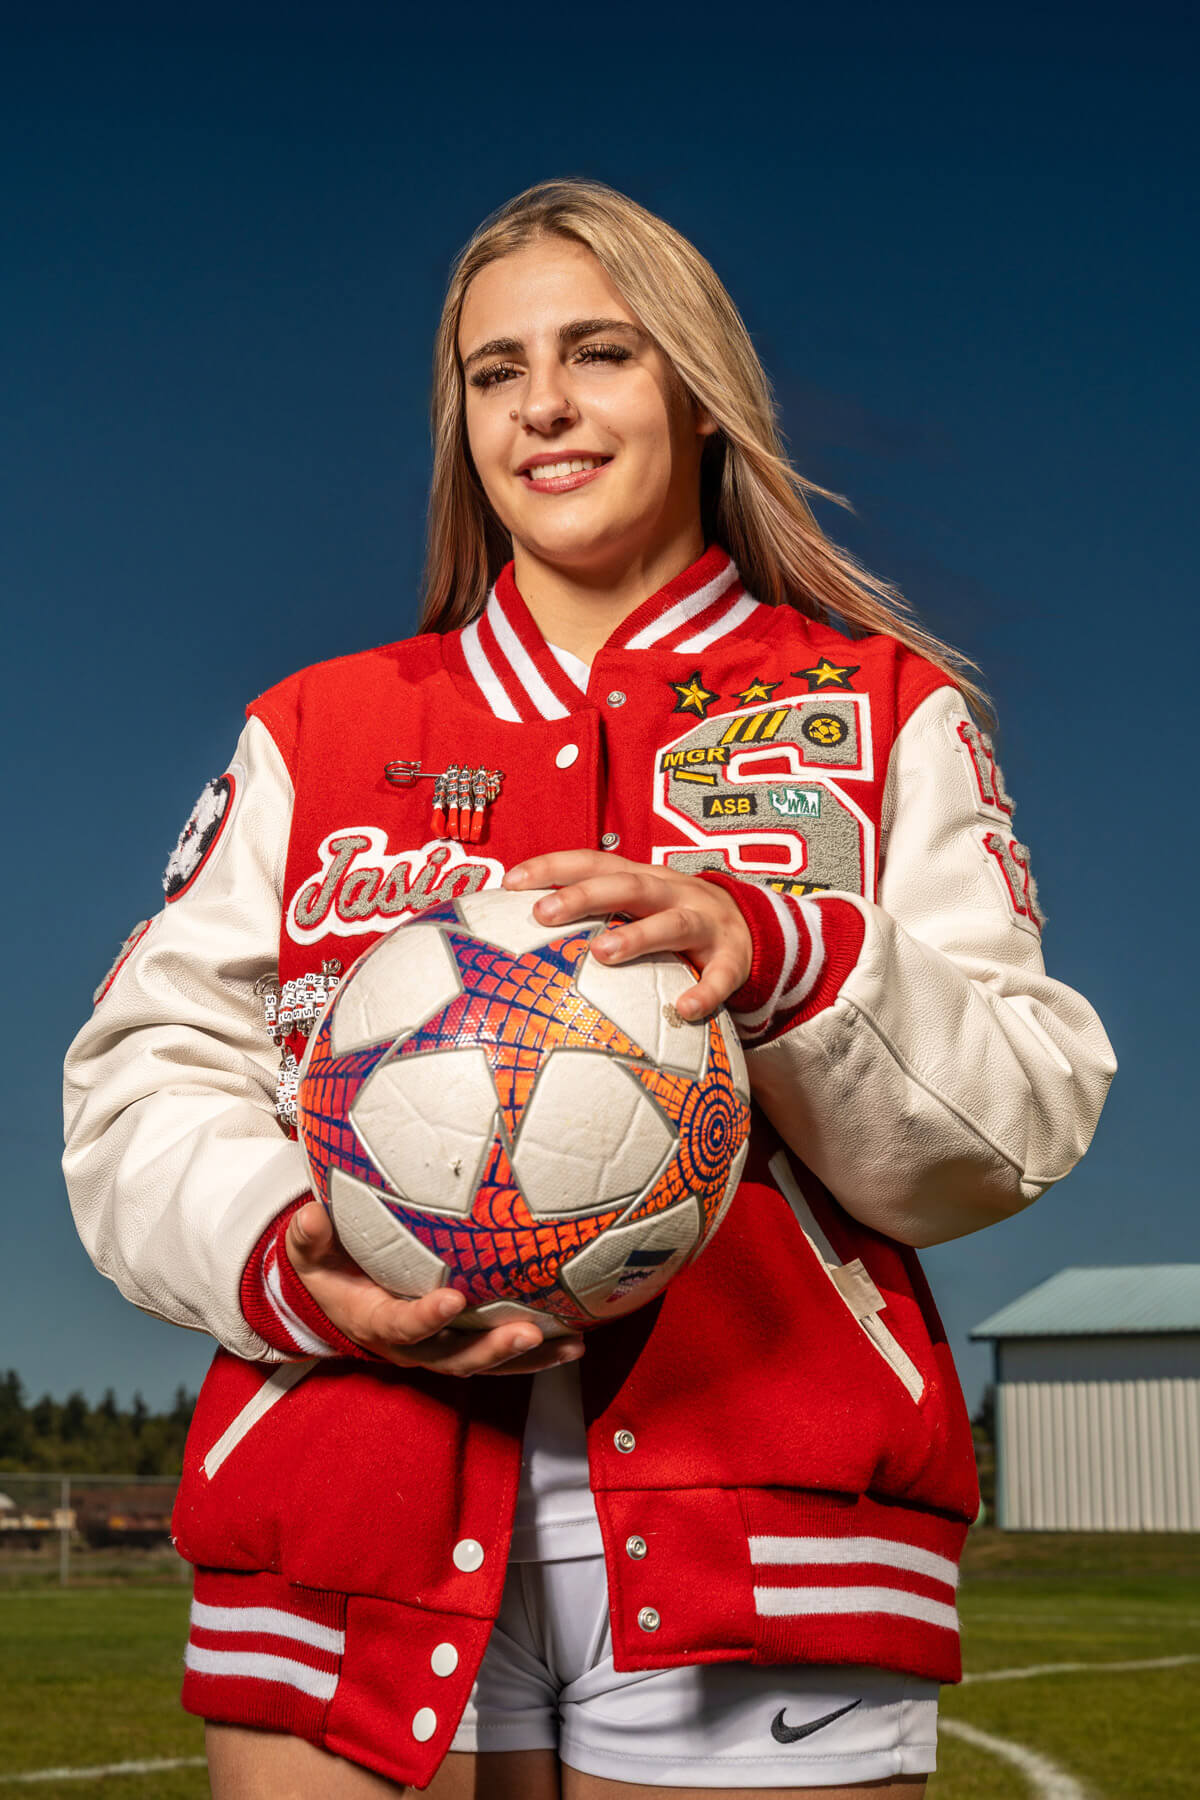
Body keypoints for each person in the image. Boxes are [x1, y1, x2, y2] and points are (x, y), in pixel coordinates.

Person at [62, 178, 1115, 1799]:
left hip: (768, 1523)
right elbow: (140, 1091)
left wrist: (781, 955)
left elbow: (1018, 1121)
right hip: (346, 1508)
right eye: (495, 373)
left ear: (695, 393)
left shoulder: (880, 707)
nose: (542, 405)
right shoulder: (317, 733)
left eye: (599, 353)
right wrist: (294, 1255)